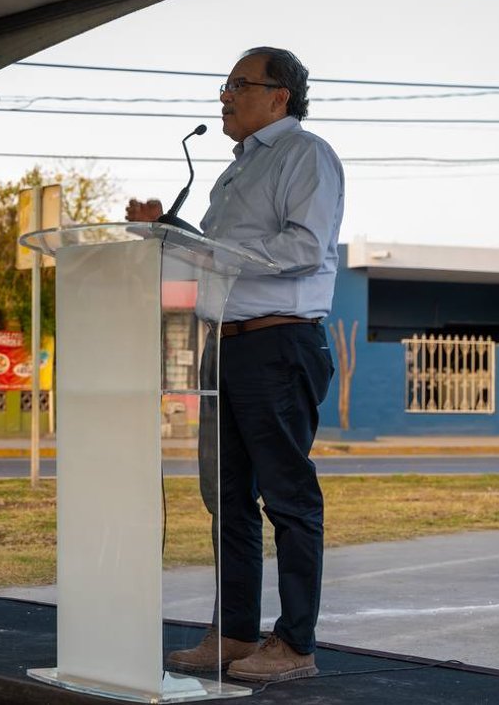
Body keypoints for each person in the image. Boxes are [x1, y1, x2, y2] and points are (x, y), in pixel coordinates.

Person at [128, 47, 344, 682]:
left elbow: (304, 246)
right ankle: (233, 633)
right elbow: (215, 259)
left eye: (239, 84)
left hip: (280, 346)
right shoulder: (234, 170)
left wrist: (211, 248)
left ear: (280, 97)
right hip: (227, 342)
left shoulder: (306, 155)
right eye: (225, 84)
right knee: (225, 497)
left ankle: (295, 644)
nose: (225, 96)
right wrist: (167, 232)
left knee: (287, 499)